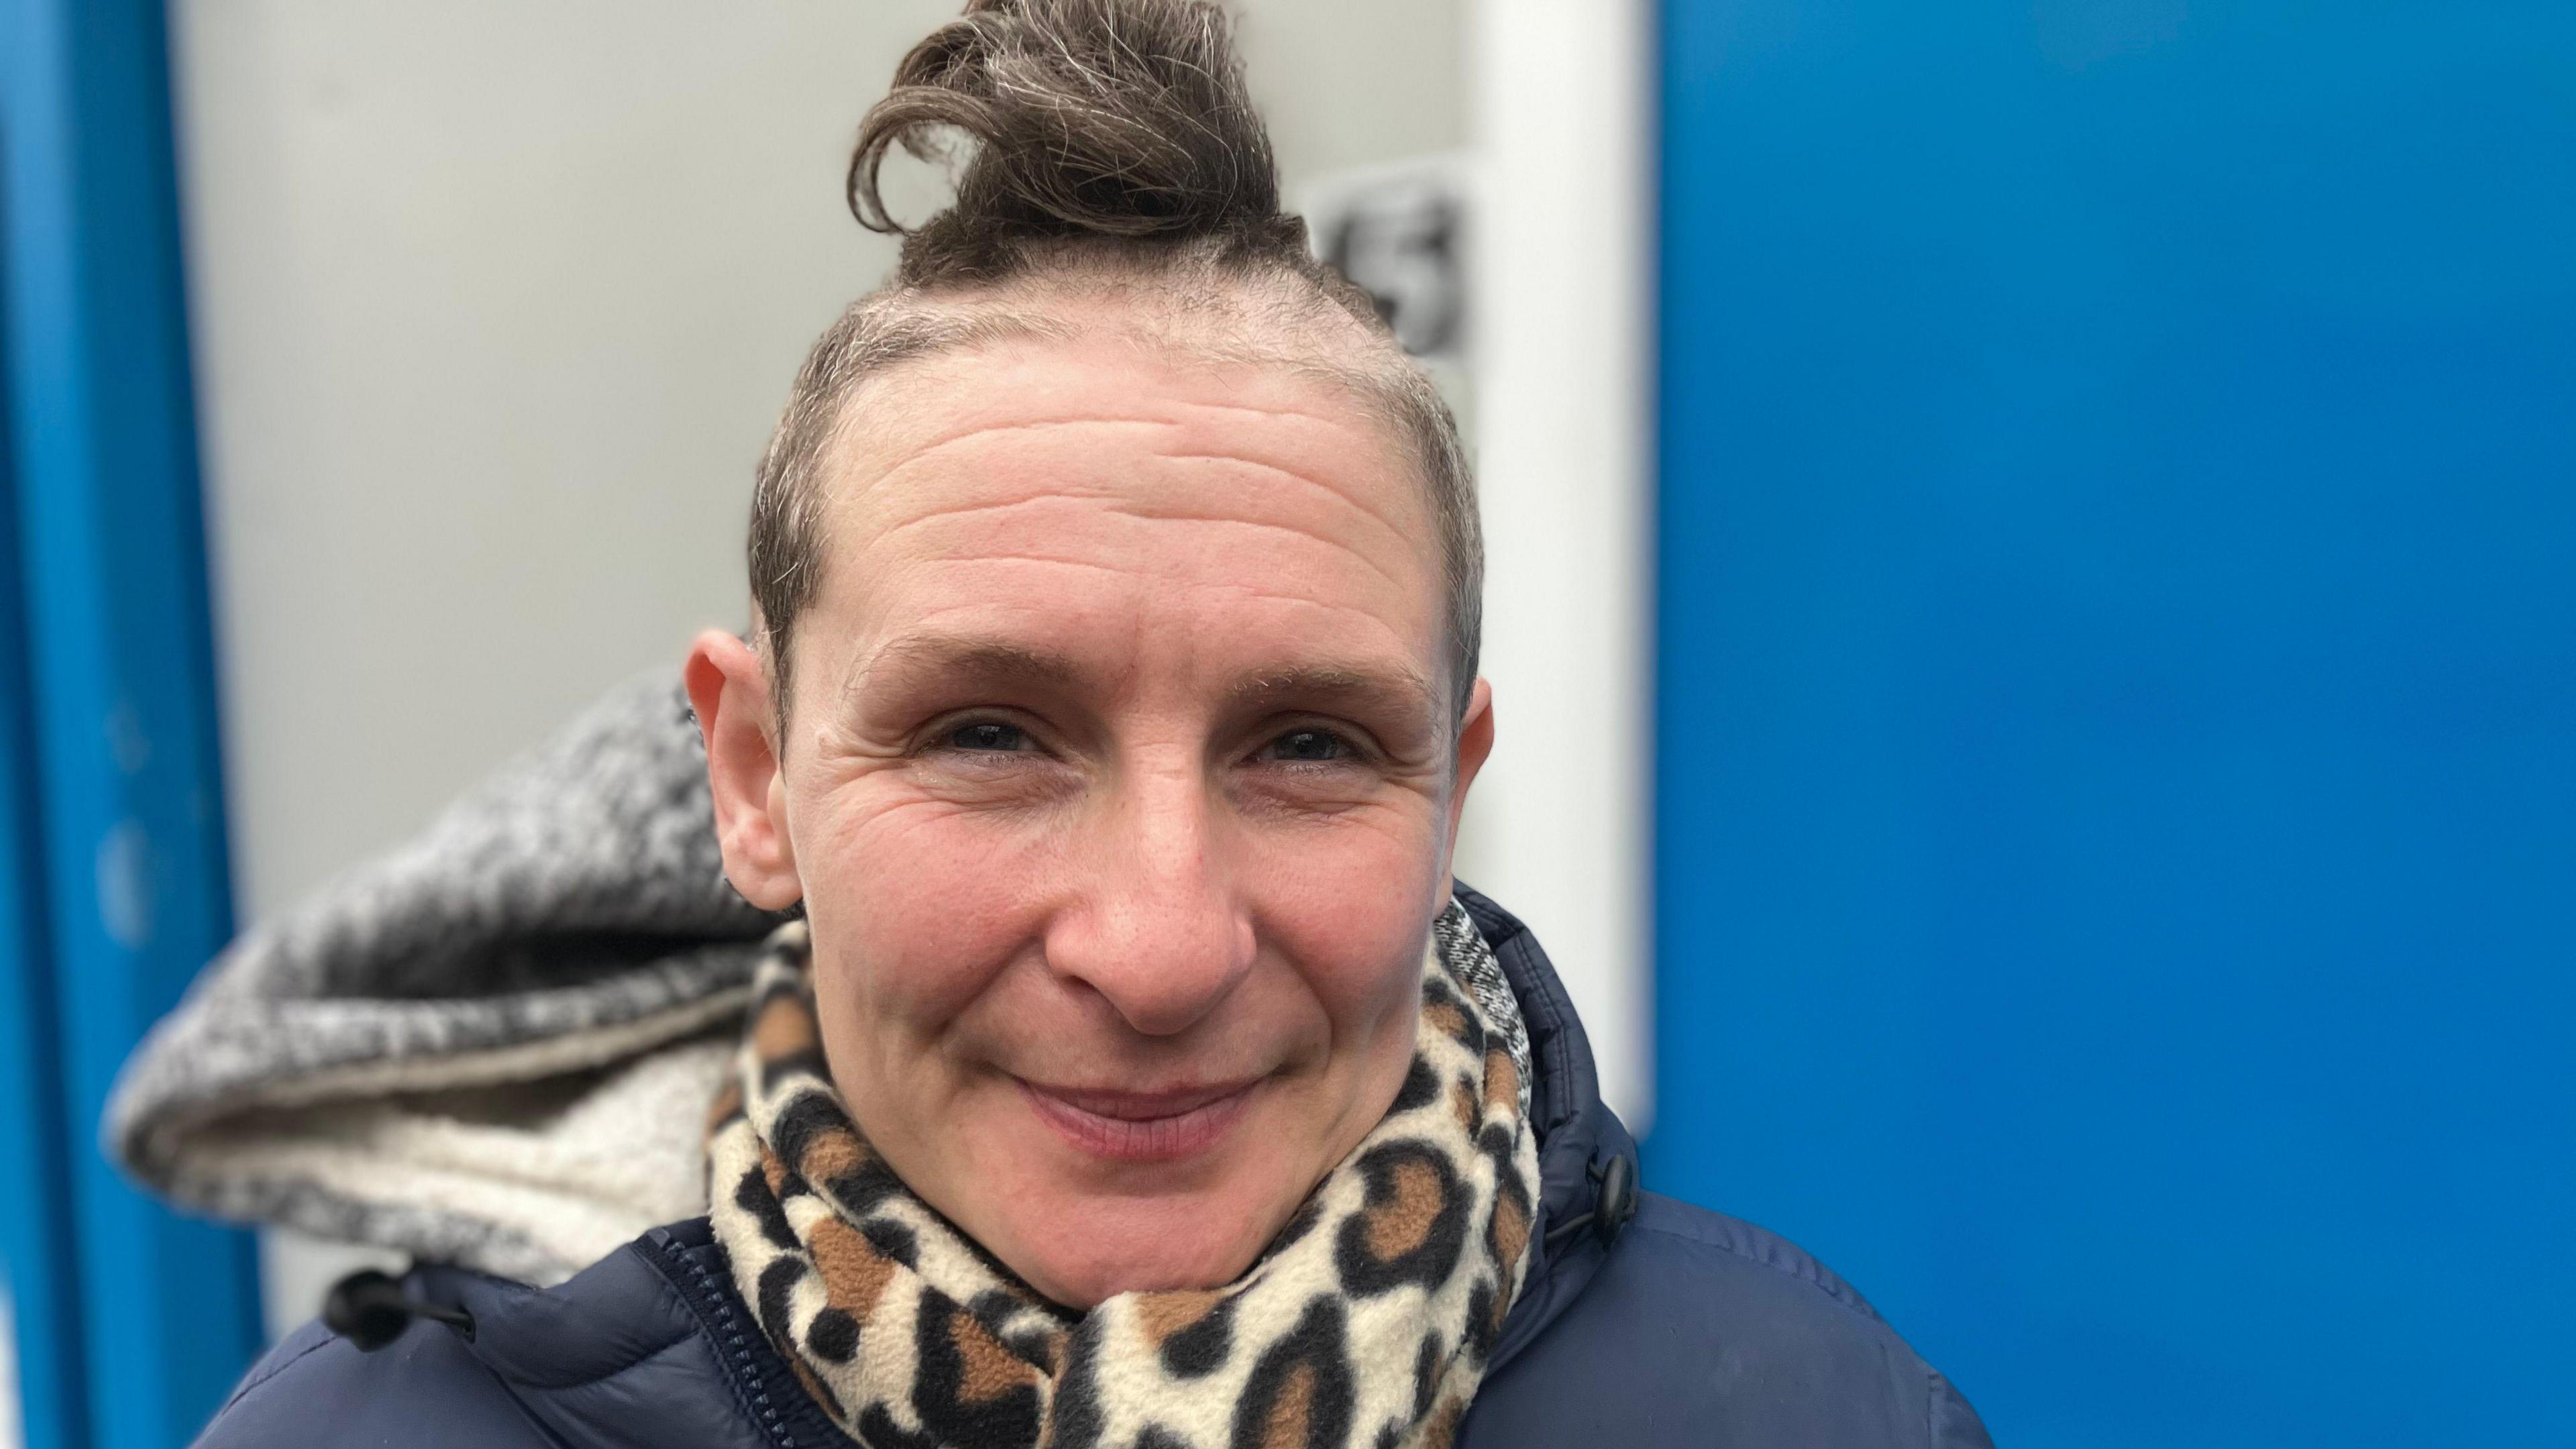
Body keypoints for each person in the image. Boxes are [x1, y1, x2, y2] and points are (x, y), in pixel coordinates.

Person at [113, 1, 1991, 1444]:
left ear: (1454, 795)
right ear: (755, 777)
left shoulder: (1800, 1410)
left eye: (1312, 746)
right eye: (992, 736)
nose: (1160, 946)